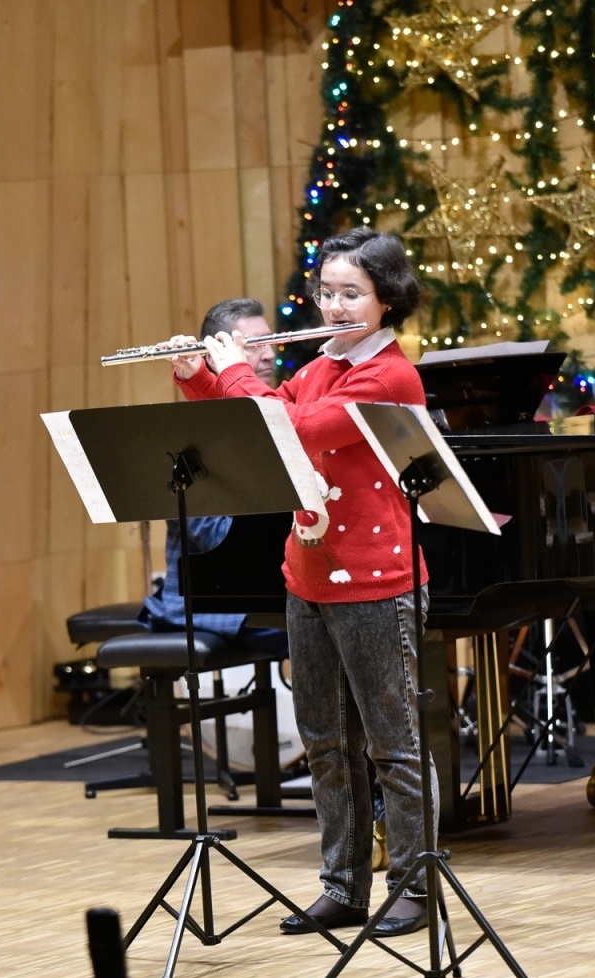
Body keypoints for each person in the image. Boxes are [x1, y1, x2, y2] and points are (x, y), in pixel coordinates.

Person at [167, 228, 433, 937]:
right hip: (308, 575)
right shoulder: (317, 367)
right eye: (326, 292)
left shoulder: (388, 376)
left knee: (393, 742)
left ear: (386, 301)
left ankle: (414, 884)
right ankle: (343, 886)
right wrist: (199, 373)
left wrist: (236, 372)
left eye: (352, 294)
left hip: (379, 581)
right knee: (324, 740)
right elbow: (247, 424)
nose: (335, 305)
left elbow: (292, 429)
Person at [141, 297, 284, 651]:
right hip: (208, 602)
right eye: (252, 345)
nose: (268, 355)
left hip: (261, 587)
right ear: (215, 354)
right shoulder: (197, 431)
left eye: (270, 342)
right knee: (323, 630)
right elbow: (211, 535)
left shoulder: (272, 408)